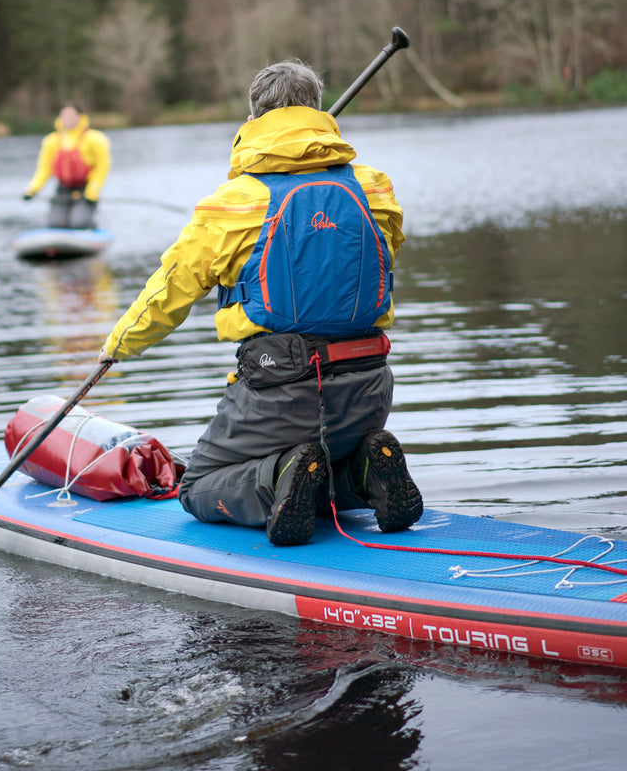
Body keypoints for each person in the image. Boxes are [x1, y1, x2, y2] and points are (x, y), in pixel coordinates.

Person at [98, 59, 422, 546]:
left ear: (252, 120)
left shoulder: (232, 203)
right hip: (369, 388)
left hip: (279, 393)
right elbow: (380, 255)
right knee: (320, 460)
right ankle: (363, 471)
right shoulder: (375, 187)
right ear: (317, 111)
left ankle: (278, 478)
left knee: (197, 487)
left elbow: (169, 291)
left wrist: (116, 347)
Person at [23, 103, 111, 229]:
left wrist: (92, 192)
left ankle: (91, 227)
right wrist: (32, 190)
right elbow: (44, 169)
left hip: (84, 190)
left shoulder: (94, 139)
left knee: (78, 223)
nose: (68, 119)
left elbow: (102, 168)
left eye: (71, 115)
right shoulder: (51, 141)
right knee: (55, 224)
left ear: (80, 117)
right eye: (64, 115)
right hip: (63, 190)